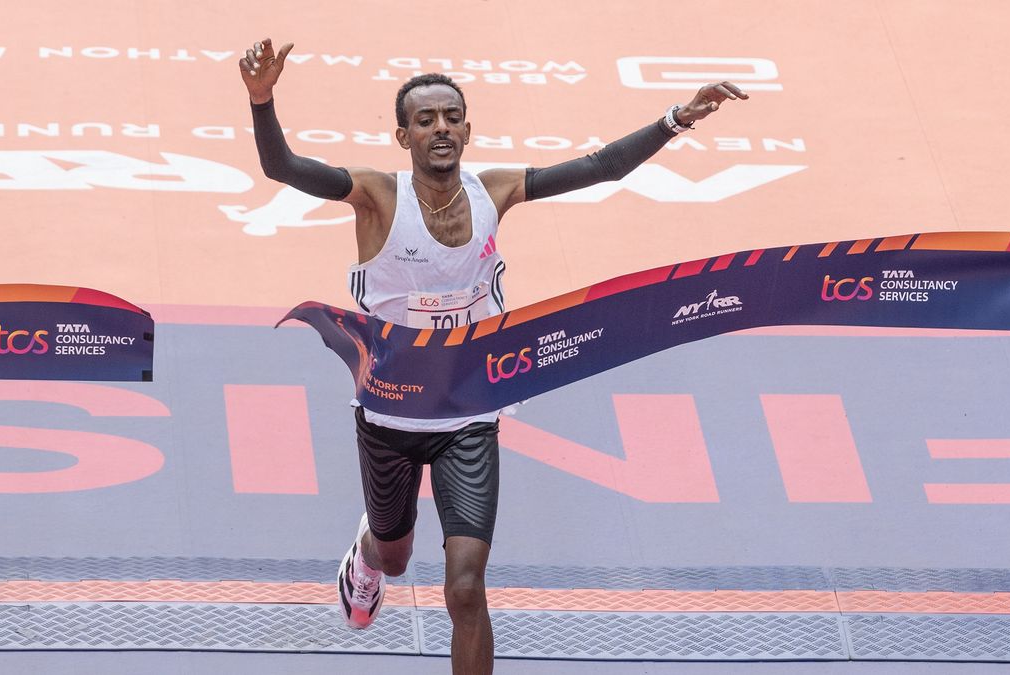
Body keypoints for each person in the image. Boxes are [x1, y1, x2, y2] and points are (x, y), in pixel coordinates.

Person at [238, 37, 747, 674]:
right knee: (396, 555)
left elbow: (600, 167)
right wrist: (262, 100)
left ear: (468, 129)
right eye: (425, 120)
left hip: (469, 413)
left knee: (465, 588)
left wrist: (678, 118)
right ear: (404, 138)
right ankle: (367, 555)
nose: (441, 128)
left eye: (451, 117)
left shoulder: (495, 191)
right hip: (390, 415)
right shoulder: (376, 196)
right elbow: (283, 167)